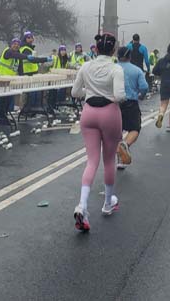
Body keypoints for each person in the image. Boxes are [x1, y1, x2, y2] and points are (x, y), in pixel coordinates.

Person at [70, 32, 125, 232]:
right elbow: (119, 96)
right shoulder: (116, 68)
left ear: (96, 48)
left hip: (89, 113)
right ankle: (108, 202)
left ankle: (82, 205)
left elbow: (75, 93)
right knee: (109, 160)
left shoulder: (85, 66)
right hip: (109, 113)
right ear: (113, 49)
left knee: (91, 161)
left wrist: (90, 93)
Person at [115, 46, 148, 169]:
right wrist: (141, 95)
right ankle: (126, 144)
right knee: (135, 128)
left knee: (118, 130)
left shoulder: (112, 69)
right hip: (130, 103)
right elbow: (144, 87)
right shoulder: (137, 70)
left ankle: (120, 160)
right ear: (130, 57)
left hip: (114, 103)